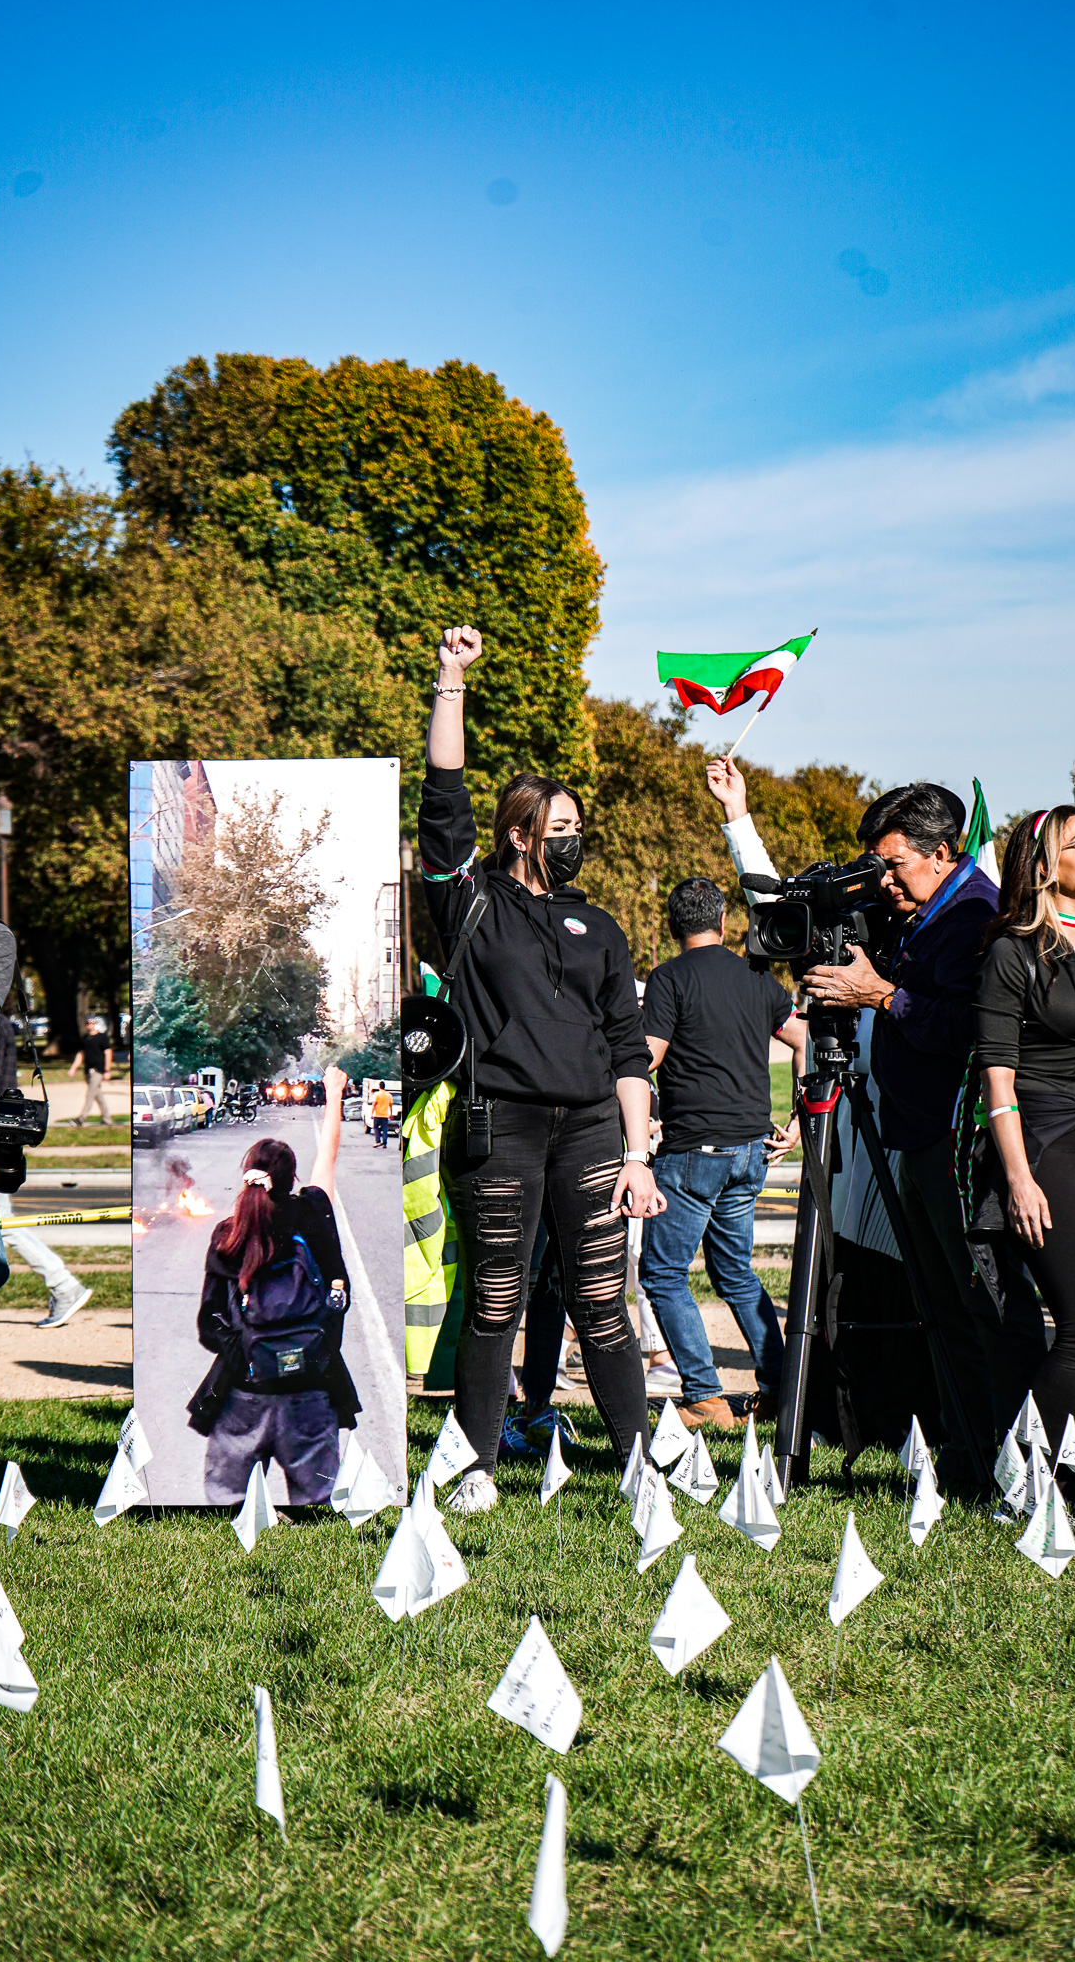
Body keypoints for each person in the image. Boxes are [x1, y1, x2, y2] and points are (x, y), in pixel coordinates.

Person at [418, 624, 663, 1512]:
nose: (574, 840)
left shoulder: (598, 925)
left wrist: (638, 1155)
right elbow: (442, 796)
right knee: (496, 1297)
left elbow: (628, 1050)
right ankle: (474, 1469)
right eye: (561, 828)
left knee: (603, 1300)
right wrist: (452, 680)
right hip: (503, 1125)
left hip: (594, 1129)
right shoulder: (470, 900)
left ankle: (638, 1471)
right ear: (521, 835)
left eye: (579, 830)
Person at [802, 782, 1047, 1483]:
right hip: (918, 1138)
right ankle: (971, 1456)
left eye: (893, 865)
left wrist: (879, 993)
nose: (883, 881)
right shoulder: (924, 909)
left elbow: (975, 1034)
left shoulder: (973, 916)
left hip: (958, 1145)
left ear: (942, 853)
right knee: (943, 1311)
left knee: (986, 1308)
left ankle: (1020, 1458)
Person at [972, 807, 1075, 1479]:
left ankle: (1074, 1471)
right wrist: (1018, 1178)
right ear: (1044, 868)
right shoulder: (1012, 952)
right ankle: (1017, 1476)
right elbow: (997, 1076)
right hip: (1042, 1141)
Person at [638, 847, 807, 1433]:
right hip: (750, 1151)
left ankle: (705, 1395)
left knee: (662, 1273)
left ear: (672, 926)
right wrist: (797, 1117)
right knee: (735, 1271)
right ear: (725, 922)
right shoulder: (758, 977)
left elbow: (649, 1058)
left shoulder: (667, 979)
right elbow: (804, 1041)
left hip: (693, 1154)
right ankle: (780, 1387)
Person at [187, 1063, 359, 1505]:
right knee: (317, 1506)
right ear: (292, 1179)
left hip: (246, 1391)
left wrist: (248, 1354)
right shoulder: (314, 1212)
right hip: (313, 1387)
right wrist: (334, 1094)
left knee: (228, 1505)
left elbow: (210, 1323)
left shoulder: (228, 1233)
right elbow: (329, 1159)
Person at [0, 1008, 92, 1327]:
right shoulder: (2, 1021)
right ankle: (64, 1285)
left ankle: (64, 1285)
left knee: (2, 1221)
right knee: (2, 1222)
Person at [68, 1017, 113, 1127]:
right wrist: (73, 1068)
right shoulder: (85, 1038)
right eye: (88, 1023)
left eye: (92, 1023)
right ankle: (107, 1119)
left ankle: (81, 1119)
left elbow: (108, 1053)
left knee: (90, 1094)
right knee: (98, 1096)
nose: (90, 1025)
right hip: (87, 1070)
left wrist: (107, 1070)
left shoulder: (102, 1037)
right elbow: (81, 1054)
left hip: (97, 1070)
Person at [371, 1079, 393, 1149]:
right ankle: (384, 1143)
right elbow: (390, 1105)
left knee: (376, 1127)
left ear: (379, 1087)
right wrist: (391, 1114)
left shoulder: (377, 1094)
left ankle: (378, 1141)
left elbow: (374, 1104)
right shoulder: (388, 1095)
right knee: (384, 1129)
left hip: (377, 1114)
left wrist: (372, 1113)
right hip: (385, 1115)